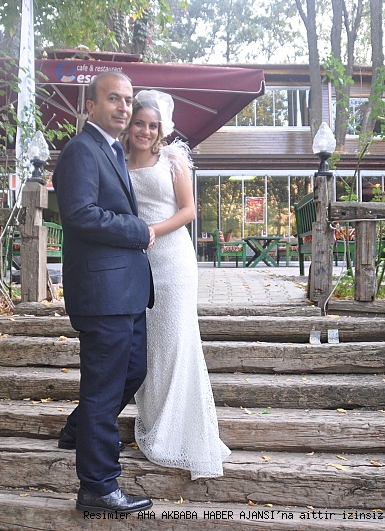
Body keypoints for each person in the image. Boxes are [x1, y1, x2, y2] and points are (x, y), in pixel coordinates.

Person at [52, 71, 155, 515]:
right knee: (102, 388)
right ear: (90, 106)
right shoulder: (81, 150)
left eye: (128, 100)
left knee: (133, 372)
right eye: (114, 98)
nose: (123, 107)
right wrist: (139, 230)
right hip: (102, 294)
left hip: (125, 293)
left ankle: (81, 430)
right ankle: (98, 486)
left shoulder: (111, 150)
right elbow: (79, 214)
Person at [121, 90, 230, 479]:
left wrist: (152, 230)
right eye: (139, 123)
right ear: (129, 124)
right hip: (137, 260)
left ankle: (181, 430)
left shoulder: (173, 158)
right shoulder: (116, 160)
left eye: (153, 125)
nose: (146, 131)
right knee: (149, 344)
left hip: (172, 258)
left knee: (175, 339)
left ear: (161, 128)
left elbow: (188, 210)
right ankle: (155, 420)